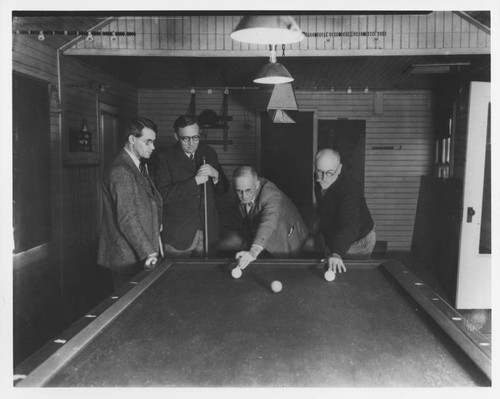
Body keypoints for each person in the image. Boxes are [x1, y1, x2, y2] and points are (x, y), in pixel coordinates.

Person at [98, 117, 163, 290]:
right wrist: (148, 252)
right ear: (132, 139)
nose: (153, 147)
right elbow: (127, 218)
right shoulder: (120, 169)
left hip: (137, 252)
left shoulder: (136, 165)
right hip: (127, 256)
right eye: (148, 142)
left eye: (153, 142)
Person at [155, 115, 229, 258]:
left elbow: (223, 190)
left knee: (207, 277)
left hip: (208, 231)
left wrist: (216, 176)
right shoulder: (164, 157)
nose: (191, 143)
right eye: (186, 138)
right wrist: (195, 182)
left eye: (195, 137)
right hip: (178, 234)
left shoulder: (209, 153)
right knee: (179, 278)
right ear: (176, 136)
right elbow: (162, 195)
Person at [231, 166, 309, 269]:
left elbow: (268, 222)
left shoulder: (271, 195)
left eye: (248, 190)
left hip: (287, 239)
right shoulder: (242, 190)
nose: (244, 196)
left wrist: (254, 251)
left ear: (257, 184)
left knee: (289, 275)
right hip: (263, 242)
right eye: (239, 191)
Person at [314, 148, 375, 274]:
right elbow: (325, 204)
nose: (324, 178)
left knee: (354, 280)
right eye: (320, 171)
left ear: (339, 168)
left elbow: (350, 226)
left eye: (330, 173)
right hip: (335, 238)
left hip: (358, 242)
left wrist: (336, 253)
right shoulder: (319, 179)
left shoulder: (350, 189)